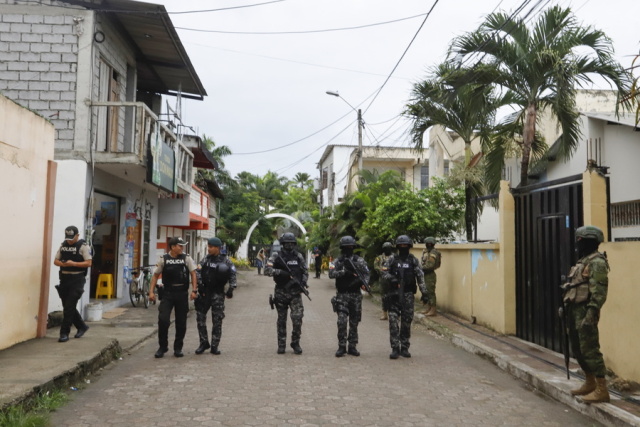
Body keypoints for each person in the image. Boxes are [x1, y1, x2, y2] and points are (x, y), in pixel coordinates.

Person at [561, 225, 610, 403]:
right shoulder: (584, 261)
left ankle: (602, 389)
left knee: (590, 349)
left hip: (586, 311)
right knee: (578, 349)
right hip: (574, 310)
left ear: (589, 242)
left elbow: (599, 292)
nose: (577, 244)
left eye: (580, 241)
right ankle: (590, 383)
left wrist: (591, 313)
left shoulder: (597, 263)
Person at [148, 237, 197, 358]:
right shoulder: (164, 259)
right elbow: (155, 275)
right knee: (163, 320)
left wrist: (194, 290)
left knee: (181, 322)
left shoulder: (186, 258)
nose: (182, 248)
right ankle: (162, 347)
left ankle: (178, 348)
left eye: (182, 246)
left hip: (182, 293)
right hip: (168, 293)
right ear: (173, 247)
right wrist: (151, 292)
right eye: (180, 246)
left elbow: (193, 274)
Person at [383, 235, 428, 359]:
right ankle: (394, 348)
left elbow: (420, 276)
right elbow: (384, 271)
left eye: (405, 245)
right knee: (393, 322)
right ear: (397, 246)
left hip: (408, 295)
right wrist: (391, 278)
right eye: (401, 245)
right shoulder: (392, 259)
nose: (403, 247)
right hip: (394, 295)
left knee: (406, 322)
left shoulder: (413, 260)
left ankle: (404, 347)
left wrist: (424, 293)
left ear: (409, 246)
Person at [265, 232, 308, 355]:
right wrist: (280, 272)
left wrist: (303, 283)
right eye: (287, 243)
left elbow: (305, 271)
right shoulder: (276, 256)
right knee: (281, 320)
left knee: (297, 319)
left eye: (291, 243)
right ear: (283, 244)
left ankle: (295, 342)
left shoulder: (298, 256)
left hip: (295, 293)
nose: (289, 245)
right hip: (281, 292)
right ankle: (282, 344)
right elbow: (267, 270)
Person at [328, 236, 370, 357]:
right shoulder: (338, 261)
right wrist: (344, 272)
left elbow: (366, 274)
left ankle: (352, 346)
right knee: (341, 321)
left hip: (355, 295)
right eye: (346, 247)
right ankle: (341, 346)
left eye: (351, 247)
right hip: (341, 295)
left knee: (354, 322)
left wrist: (363, 283)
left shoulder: (359, 261)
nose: (349, 248)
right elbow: (331, 274)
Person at [194, 237, 237, 355]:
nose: (208, 249)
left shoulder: (226, 261)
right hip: (205, 293)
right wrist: (200, 284)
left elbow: (233, 274)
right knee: (200, 318)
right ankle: (203, 342)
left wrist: (231, 289)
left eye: (211, 247)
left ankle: (214, 345)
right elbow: (197, 271)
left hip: (218, 294)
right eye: (208, 246)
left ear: (217, 248)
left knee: (217, 320)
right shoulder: (205, 260)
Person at [53, 226, 91, 342]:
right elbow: (55, 261)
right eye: (68, 238)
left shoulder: (84, 246)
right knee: (68, 306)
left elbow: (88, 263)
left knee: (69, 307)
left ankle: (64, 333)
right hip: (64, 278)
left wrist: (74, 264)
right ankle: (82, 326)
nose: (69, 241)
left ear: (77, 236)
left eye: (72, 238)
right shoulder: (63, 245)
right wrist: (63, 264)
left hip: (77, 279)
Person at [420, 237, 441, 316]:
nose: (427, 245)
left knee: (430, 292)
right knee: (426, 292)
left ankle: (433, 310)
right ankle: (429, 308)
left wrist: (420, 268)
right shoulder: (428, 252)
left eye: (428, 244)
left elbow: (430, 265)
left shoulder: (433, 253)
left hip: (430, 274)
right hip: (425, 274)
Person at [374, 242, 394, 321]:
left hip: (392, 280)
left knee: (393, 296)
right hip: (383, 279)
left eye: (389, 248)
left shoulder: (394, 257)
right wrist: (381, 270)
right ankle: (384, 314)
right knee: (384, 297)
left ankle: (393, 314)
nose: (387, 250)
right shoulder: (379, 258)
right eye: (386, 248)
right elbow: (376, 266)